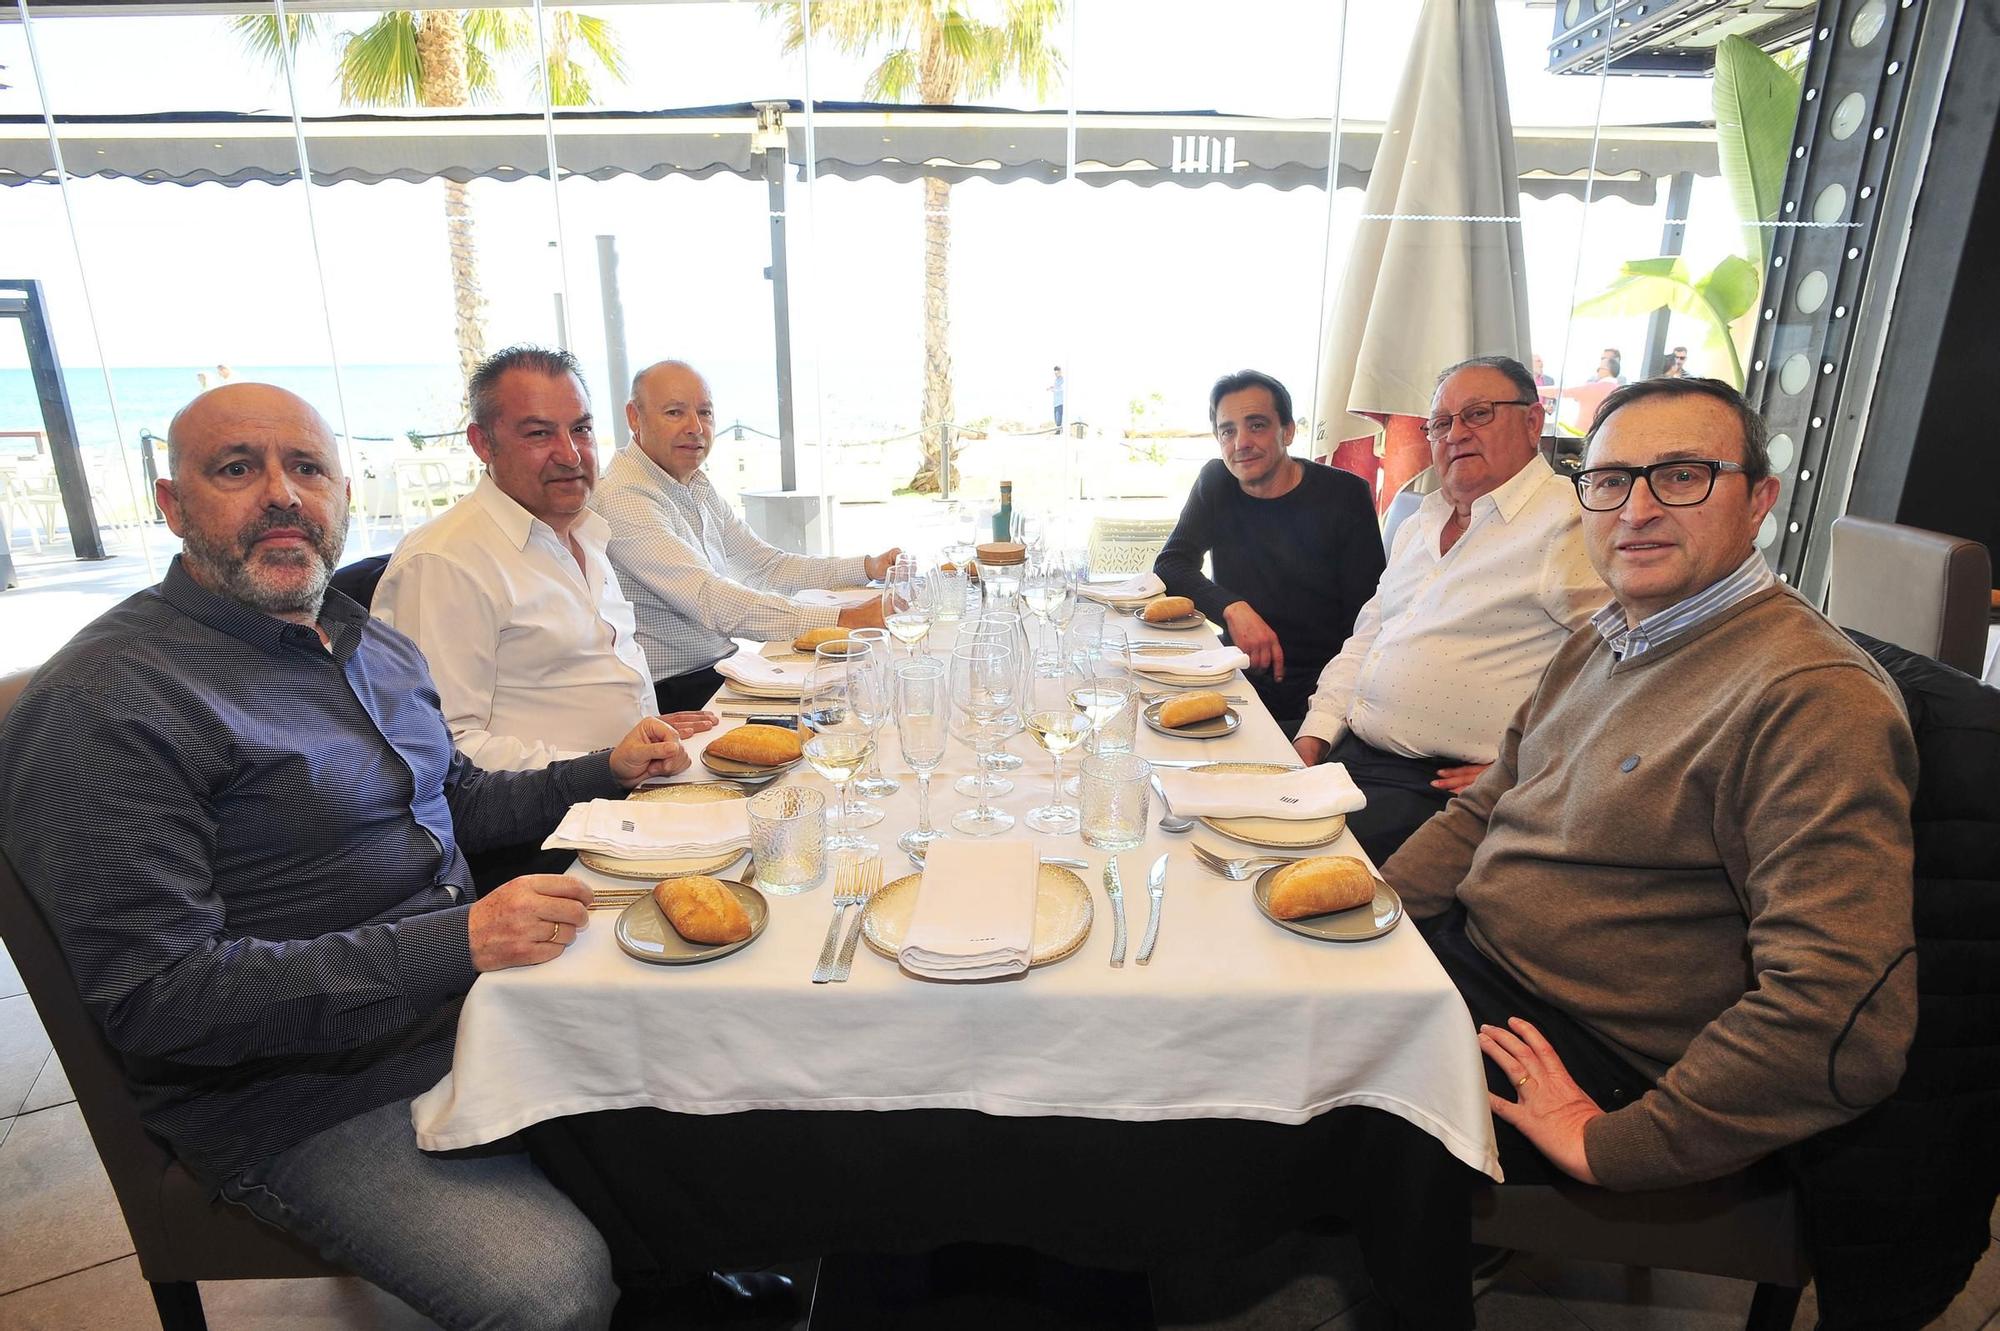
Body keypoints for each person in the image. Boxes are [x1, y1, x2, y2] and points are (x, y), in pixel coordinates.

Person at [0, 382, 699, 1330]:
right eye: (238, 468)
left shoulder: (366, 639)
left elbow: (455, 798)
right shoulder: (110, 702)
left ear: (341, 493)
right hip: (303, 1097)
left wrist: (603, 768)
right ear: (172, 506)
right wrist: (461, 942)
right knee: (550, 1288)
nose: (283, 495)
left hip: (470, 1013)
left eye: (308, 468)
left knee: (723, 1095)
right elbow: (161, 999)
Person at [1385, 375, 1918, 1195]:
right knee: (1270, 1003)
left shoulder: (1813, 697)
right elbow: (1488, 803)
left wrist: (1616, 1145)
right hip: (1481, 965)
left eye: (1681, 475)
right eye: (1608, 480)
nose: (1636, 510)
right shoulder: (1610, 636)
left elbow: (1841, 1015)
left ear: (1759, 499)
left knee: (1274, 1098)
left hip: (1589, 1051)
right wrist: (1374, 908)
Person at [1293, 356, 1605, 863]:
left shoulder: (1570, 526)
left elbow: (1633, 672)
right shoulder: (1420, 521)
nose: (1455, 433)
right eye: (1441, 423)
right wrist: (1314, 734)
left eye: (1478, 414)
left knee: (1285, 885)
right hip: (1349, 756)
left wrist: (1532, 765)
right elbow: (1368, 639)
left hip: (1439, 793)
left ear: (1532, 423)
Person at [372, 345, 715, 773]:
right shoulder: (445, 563)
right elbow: (445, 753)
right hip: (550, 822)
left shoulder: (584, 532)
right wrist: (603, 763)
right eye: (539, 434)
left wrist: (642, 729)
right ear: (483, 444)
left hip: (624, 785)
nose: (570, 455)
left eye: (581, 429)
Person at [593, 359, 902, 714]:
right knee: (856, 713)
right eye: (675, 412)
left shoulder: (691, 484)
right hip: (674, 696)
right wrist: (845, 620)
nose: (696, 427)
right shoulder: (624, 496)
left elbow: (768, 566)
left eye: (705, 413)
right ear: (635, 417)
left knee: (868, 694)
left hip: (721, 671)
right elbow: (711, 598)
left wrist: (867, 567)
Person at [1153, 369, 1384, 732]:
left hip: (1318, 695)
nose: (1241, 442)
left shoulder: (1344, 496)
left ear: (1288, 431)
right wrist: (1233, 608)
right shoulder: (1217, 482)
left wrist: (1325, 715)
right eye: (1227, 430)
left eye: (1257, 425)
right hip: (1235, 676)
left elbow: (1368, 619)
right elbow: (1170, 564)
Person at [1049, 364, 1066, 430]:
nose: (1056, 374)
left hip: (1060, 402)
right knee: (1056, 418)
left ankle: (1059, 430)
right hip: (1055, 402)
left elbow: (1061, 389)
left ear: (1060, 372)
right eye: (1055, 373)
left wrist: (1053, 389)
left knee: (1059, 417)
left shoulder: (1062, 379)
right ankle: (1058, 429)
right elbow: (1056, 387)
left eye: (1057, 373)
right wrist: (1051, 387)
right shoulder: (1056, 380)